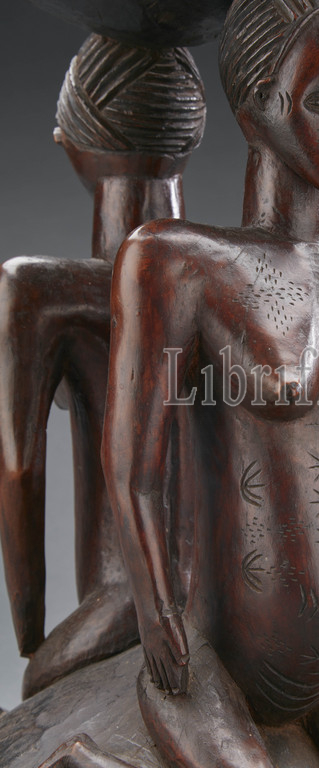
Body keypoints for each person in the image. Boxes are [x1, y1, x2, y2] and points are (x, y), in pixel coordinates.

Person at [100, 0, 319, 766]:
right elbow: (133, 469)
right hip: (213, 658)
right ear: (255, 108)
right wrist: (157, 615)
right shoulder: (181, 266)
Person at [0, 33, 205, 698]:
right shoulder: (226, 273)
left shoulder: (42, 293)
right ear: (191, 135)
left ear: (74, 143)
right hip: (223, 598)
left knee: (41, 686)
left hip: (124, 599)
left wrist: (33, 634)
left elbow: (19, 468)